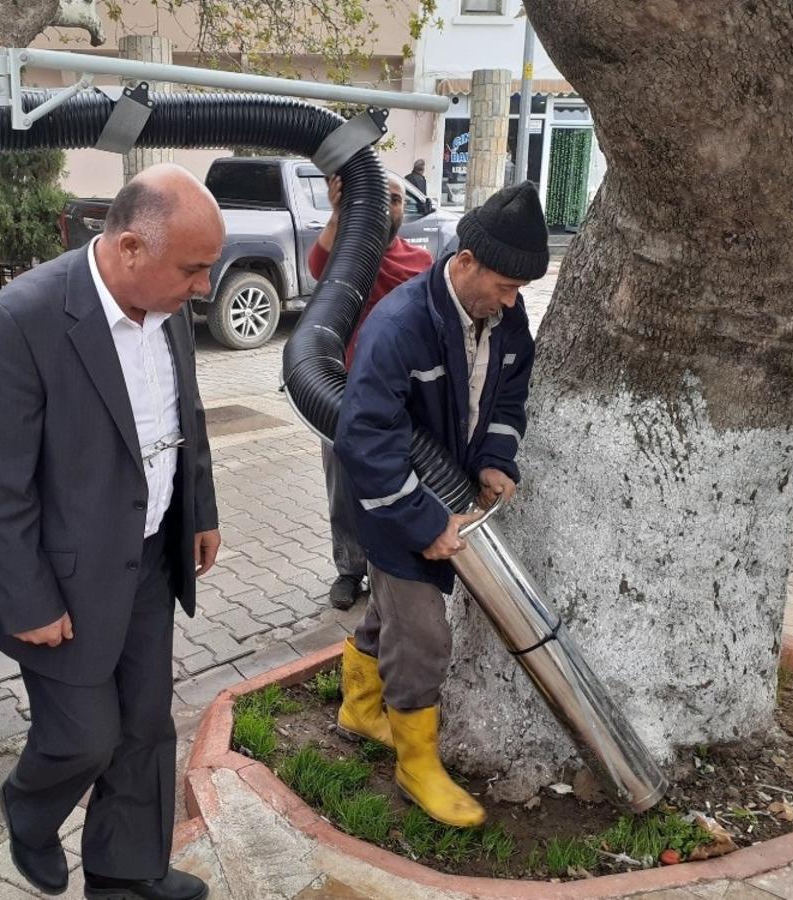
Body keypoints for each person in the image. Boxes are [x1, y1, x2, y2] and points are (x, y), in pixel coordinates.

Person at [0, 163, 222, 900]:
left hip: (152, 560)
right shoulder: (20, 320)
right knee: (82, 737)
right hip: (61, 579)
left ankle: (125, 872)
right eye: (193, 268)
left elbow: (185, 420)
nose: (204, 286)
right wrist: (27, 597)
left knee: (144, 727)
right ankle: (29, 809)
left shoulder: (166, 313)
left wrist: (199, 512)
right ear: (131, 248)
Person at [334, 182, 549, 827]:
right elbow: (365, 440)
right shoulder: (400, 326)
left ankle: (358, 707)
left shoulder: (505, 322)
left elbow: (510, 401)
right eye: (507, 285)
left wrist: (494, 461)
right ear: (466, 262)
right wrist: (425, 523)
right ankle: (416, 765)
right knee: (423, 631)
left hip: (451, 498)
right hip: (392, 506)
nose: (515, 302)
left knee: (393, 618)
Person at [311, 174, 432, 611]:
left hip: (400, 400)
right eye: (382, 199)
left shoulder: (421, 262)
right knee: (342, 487)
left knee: (397, 482)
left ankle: (395, 566)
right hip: (338, 394)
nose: (389, 208)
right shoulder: (347, 255)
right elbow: (316, 265)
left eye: (397, 200)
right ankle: (349, 570)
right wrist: (340, 213)